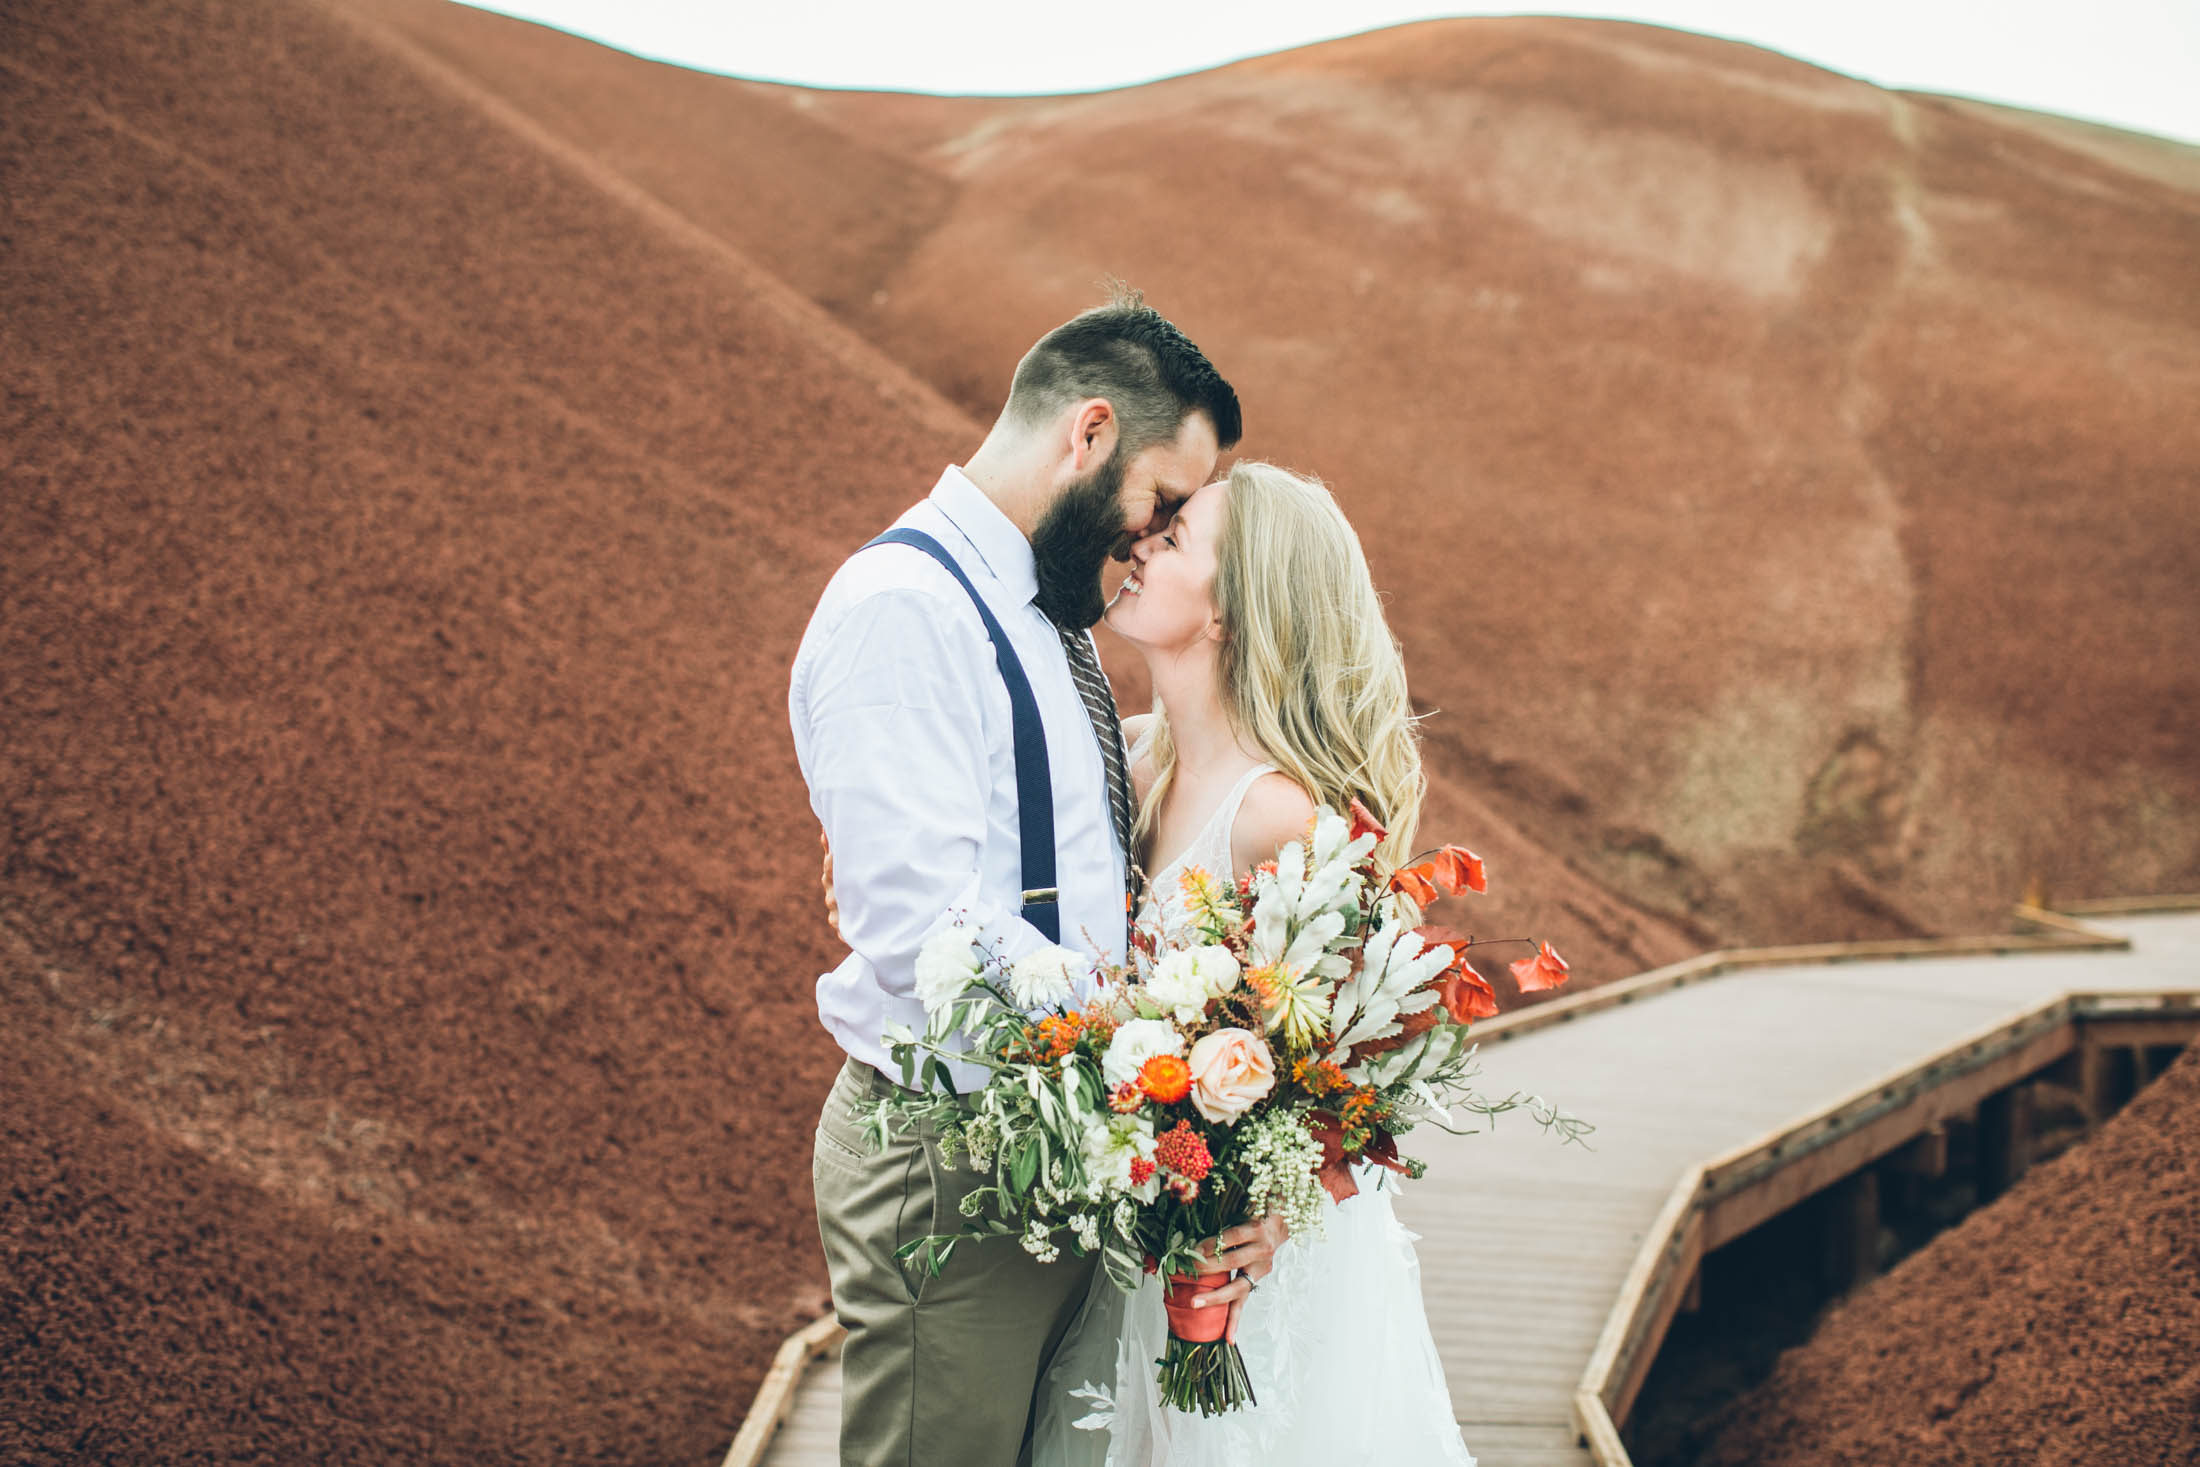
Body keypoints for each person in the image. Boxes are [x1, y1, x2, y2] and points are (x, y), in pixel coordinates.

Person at [788, 288, 1290, 1467]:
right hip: (948, 1165)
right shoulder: (902, 610)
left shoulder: (1040, 611)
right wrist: (1149, 1054)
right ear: (1091, 433)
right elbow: (924, 929)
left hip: (1051, 1144)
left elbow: (1058, 858)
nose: (1151, 539)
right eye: (1158, 501)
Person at [1026, 460, 1479, 1465]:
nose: (1137, 542)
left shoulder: (1278, 818)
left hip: (1239, 1270)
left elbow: (1349, 1057)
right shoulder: (1131, 755)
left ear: (1229, 612)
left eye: (1174, 538)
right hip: (1132, 1233)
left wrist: (1273, 1208)